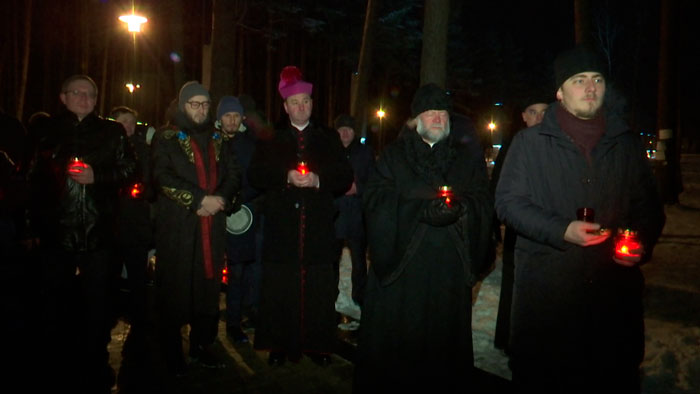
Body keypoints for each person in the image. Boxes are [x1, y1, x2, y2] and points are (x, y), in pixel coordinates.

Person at [494, 46, 665, 393]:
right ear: (559, 92)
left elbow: (649, 208)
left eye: (597, 79)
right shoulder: (530, 144)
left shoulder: (626, 145)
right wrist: (561, 230)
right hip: (548, 311)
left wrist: (639, 243)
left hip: (612, 309)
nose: (590, 87)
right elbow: (508, 203)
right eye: (579, 80)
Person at [353, 83, 494, 392]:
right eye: (429, 113)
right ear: (416, 120)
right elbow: (375, 201)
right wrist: (419, 211)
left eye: (442, 113)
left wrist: (462, 209)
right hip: (402, 277)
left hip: (447, 276)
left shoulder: (465, 160)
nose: (437, 118)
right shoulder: (393, 156)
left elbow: (483, 202)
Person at [27, 74, 135, 393]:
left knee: (97, 302)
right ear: (63, 97)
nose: (84, 99)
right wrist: (30, 227)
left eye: (90, 94)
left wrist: (97, 175)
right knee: (55, 300)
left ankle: (95, 360)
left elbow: (131, 169)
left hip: (98, 232)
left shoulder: (111, 131)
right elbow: (31, 179)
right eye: (77, 92)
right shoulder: (45, 131)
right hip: (55, 233)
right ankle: (57, 361)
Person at [248, 66, 353, 367]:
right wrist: (286, 176)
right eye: (295, 102)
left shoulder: (328, 137)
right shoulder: (272, 138)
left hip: (318, 227)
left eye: (306, 101)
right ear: (285, 106)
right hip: (283, 228)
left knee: (318, 288)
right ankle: (280, 345)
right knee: (281, 287)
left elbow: (344, 175)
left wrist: (319, 180)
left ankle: (317, 345)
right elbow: (256, 173)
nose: (301, 106)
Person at [151, 81, 241, 375]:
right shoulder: (165, 137)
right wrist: (198, 199)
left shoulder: (218, 138)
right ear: (182, 106)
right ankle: (171, 352)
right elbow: (162, 176)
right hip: (178, 227)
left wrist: (220, 200)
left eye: (205, 104)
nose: (201, 109)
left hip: (212, 226)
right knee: (176, 289)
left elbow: (233, 173)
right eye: (195, 104)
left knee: (208, 286)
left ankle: (202, 344)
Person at [492, 93, 549, 354]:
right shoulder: (514, 146)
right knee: (514, 286)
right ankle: (509, 338)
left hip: (551, 232)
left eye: (544, 111)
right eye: (533, 111)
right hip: (520, 231)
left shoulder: (557, 146)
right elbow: (499, 191)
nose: (539, 117)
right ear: (523, 116)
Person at [216, 95, 262, 343]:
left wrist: (238, 199)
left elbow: (258, 180)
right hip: (213, 214)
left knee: (237, 271)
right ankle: (206, 320)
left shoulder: (250, 145)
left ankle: (235, 322)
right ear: (219, 118)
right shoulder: (211, 142)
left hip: (242, 216)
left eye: (236, 116)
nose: (231, 120)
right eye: (227, 115)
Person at [332, 114, 374, 313]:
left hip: (357, 216)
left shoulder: (365, 153)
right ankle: (329, 295)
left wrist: (359, 188)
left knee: (359, 262)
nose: (345, 133)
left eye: (348, 129)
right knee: (333, 259)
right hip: (336, 215)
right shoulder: (330, 152)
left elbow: (375, 182)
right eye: (341, 129)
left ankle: (361, 297)